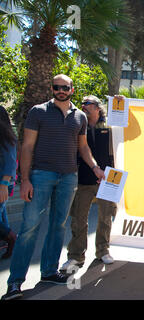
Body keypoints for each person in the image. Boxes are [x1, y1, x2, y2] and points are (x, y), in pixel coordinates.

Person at [2, 75, 105, 300]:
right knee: (29, 228)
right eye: (57, 87)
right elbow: (27, 147)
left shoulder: (80, 117)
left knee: (58, 225)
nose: (60, 90)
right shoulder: (38, 112)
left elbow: (84, 147)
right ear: (52, 88)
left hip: (69, 178)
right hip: (40, 176)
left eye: (65, 87)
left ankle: (49, 271)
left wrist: (96, 168)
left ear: (71, 89)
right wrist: (25, 179)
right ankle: (15, 283)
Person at [60, 95, 117, 273]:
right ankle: (76, 256)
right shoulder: (78, 124)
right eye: (82, 103)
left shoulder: (111, 126)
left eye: (88, 104)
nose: (84, 106)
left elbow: (132, 133)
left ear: (98, 108)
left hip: (109, 179)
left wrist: (122, 103)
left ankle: (103, 250)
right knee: (78, 219)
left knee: (105, 217)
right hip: (83, 179)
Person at [0, 106, 17, 260]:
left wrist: (4, 185)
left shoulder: (5, 136)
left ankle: (11, 239)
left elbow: (11, 162)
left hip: (2, 182)